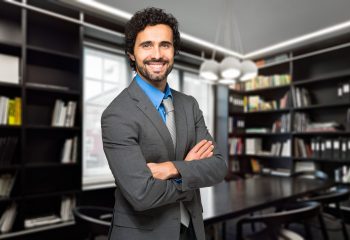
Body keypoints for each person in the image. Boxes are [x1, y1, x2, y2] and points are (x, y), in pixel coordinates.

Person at [101, 7, 227, 240]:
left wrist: (170, 168)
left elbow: (218, 167)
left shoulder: (189, 105)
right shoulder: (117, 114)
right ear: (131, 53)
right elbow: (142, 194)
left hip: (192, 230)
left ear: (174, 50)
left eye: (165, 45)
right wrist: (188, 172)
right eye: (146, 45)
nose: (157, 54)